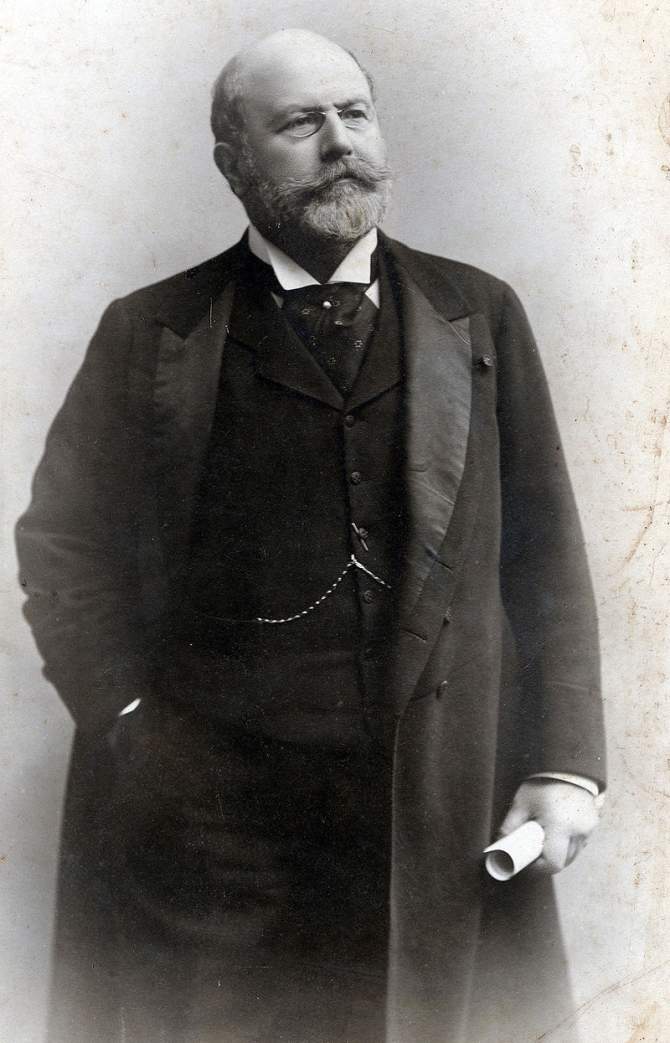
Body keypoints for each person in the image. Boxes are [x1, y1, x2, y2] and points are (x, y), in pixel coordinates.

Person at [16, 28, 606, 1043]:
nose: (339, 143)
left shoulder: (479, 314)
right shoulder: (153, 330)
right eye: (299, 123)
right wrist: (127, 717)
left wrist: (564, 764)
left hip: (433, 795)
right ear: (233, 161)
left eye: (354, 113)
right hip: (214, 823)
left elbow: (545, 554)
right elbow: (64, 543)